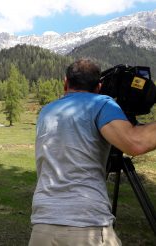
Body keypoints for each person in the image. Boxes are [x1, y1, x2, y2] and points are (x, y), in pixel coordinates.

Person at [29, 58, 156, 246]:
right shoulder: (101, 104)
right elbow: (135, 143)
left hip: (42, 224)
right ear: (98, 87)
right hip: (87, 224)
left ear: (65, 83)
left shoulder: (46, 111)